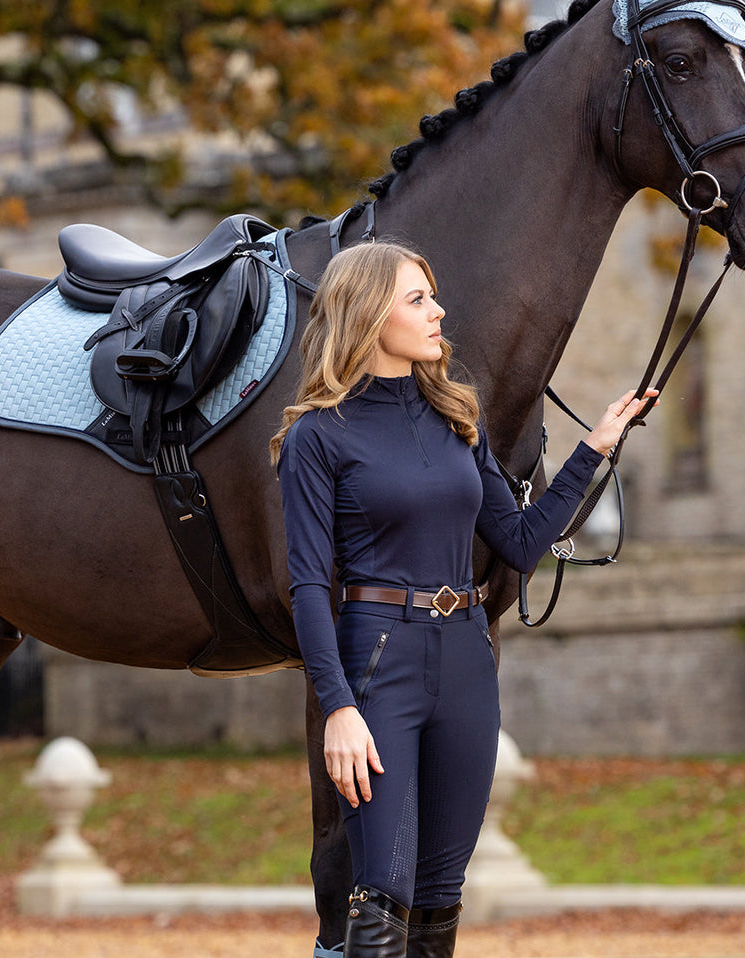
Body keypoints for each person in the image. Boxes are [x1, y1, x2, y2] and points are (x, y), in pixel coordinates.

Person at [271, 241, 655, 958]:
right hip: (377, 661)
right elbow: (308, 587)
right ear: (366, 313)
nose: (438, 310)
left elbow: (517, 541)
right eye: (416, 298)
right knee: (383, 892)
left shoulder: (456, 415)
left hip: (466, 660)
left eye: (432, 294)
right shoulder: (316, 438)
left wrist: (596, 447)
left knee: (441, 896)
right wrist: (339, 708)